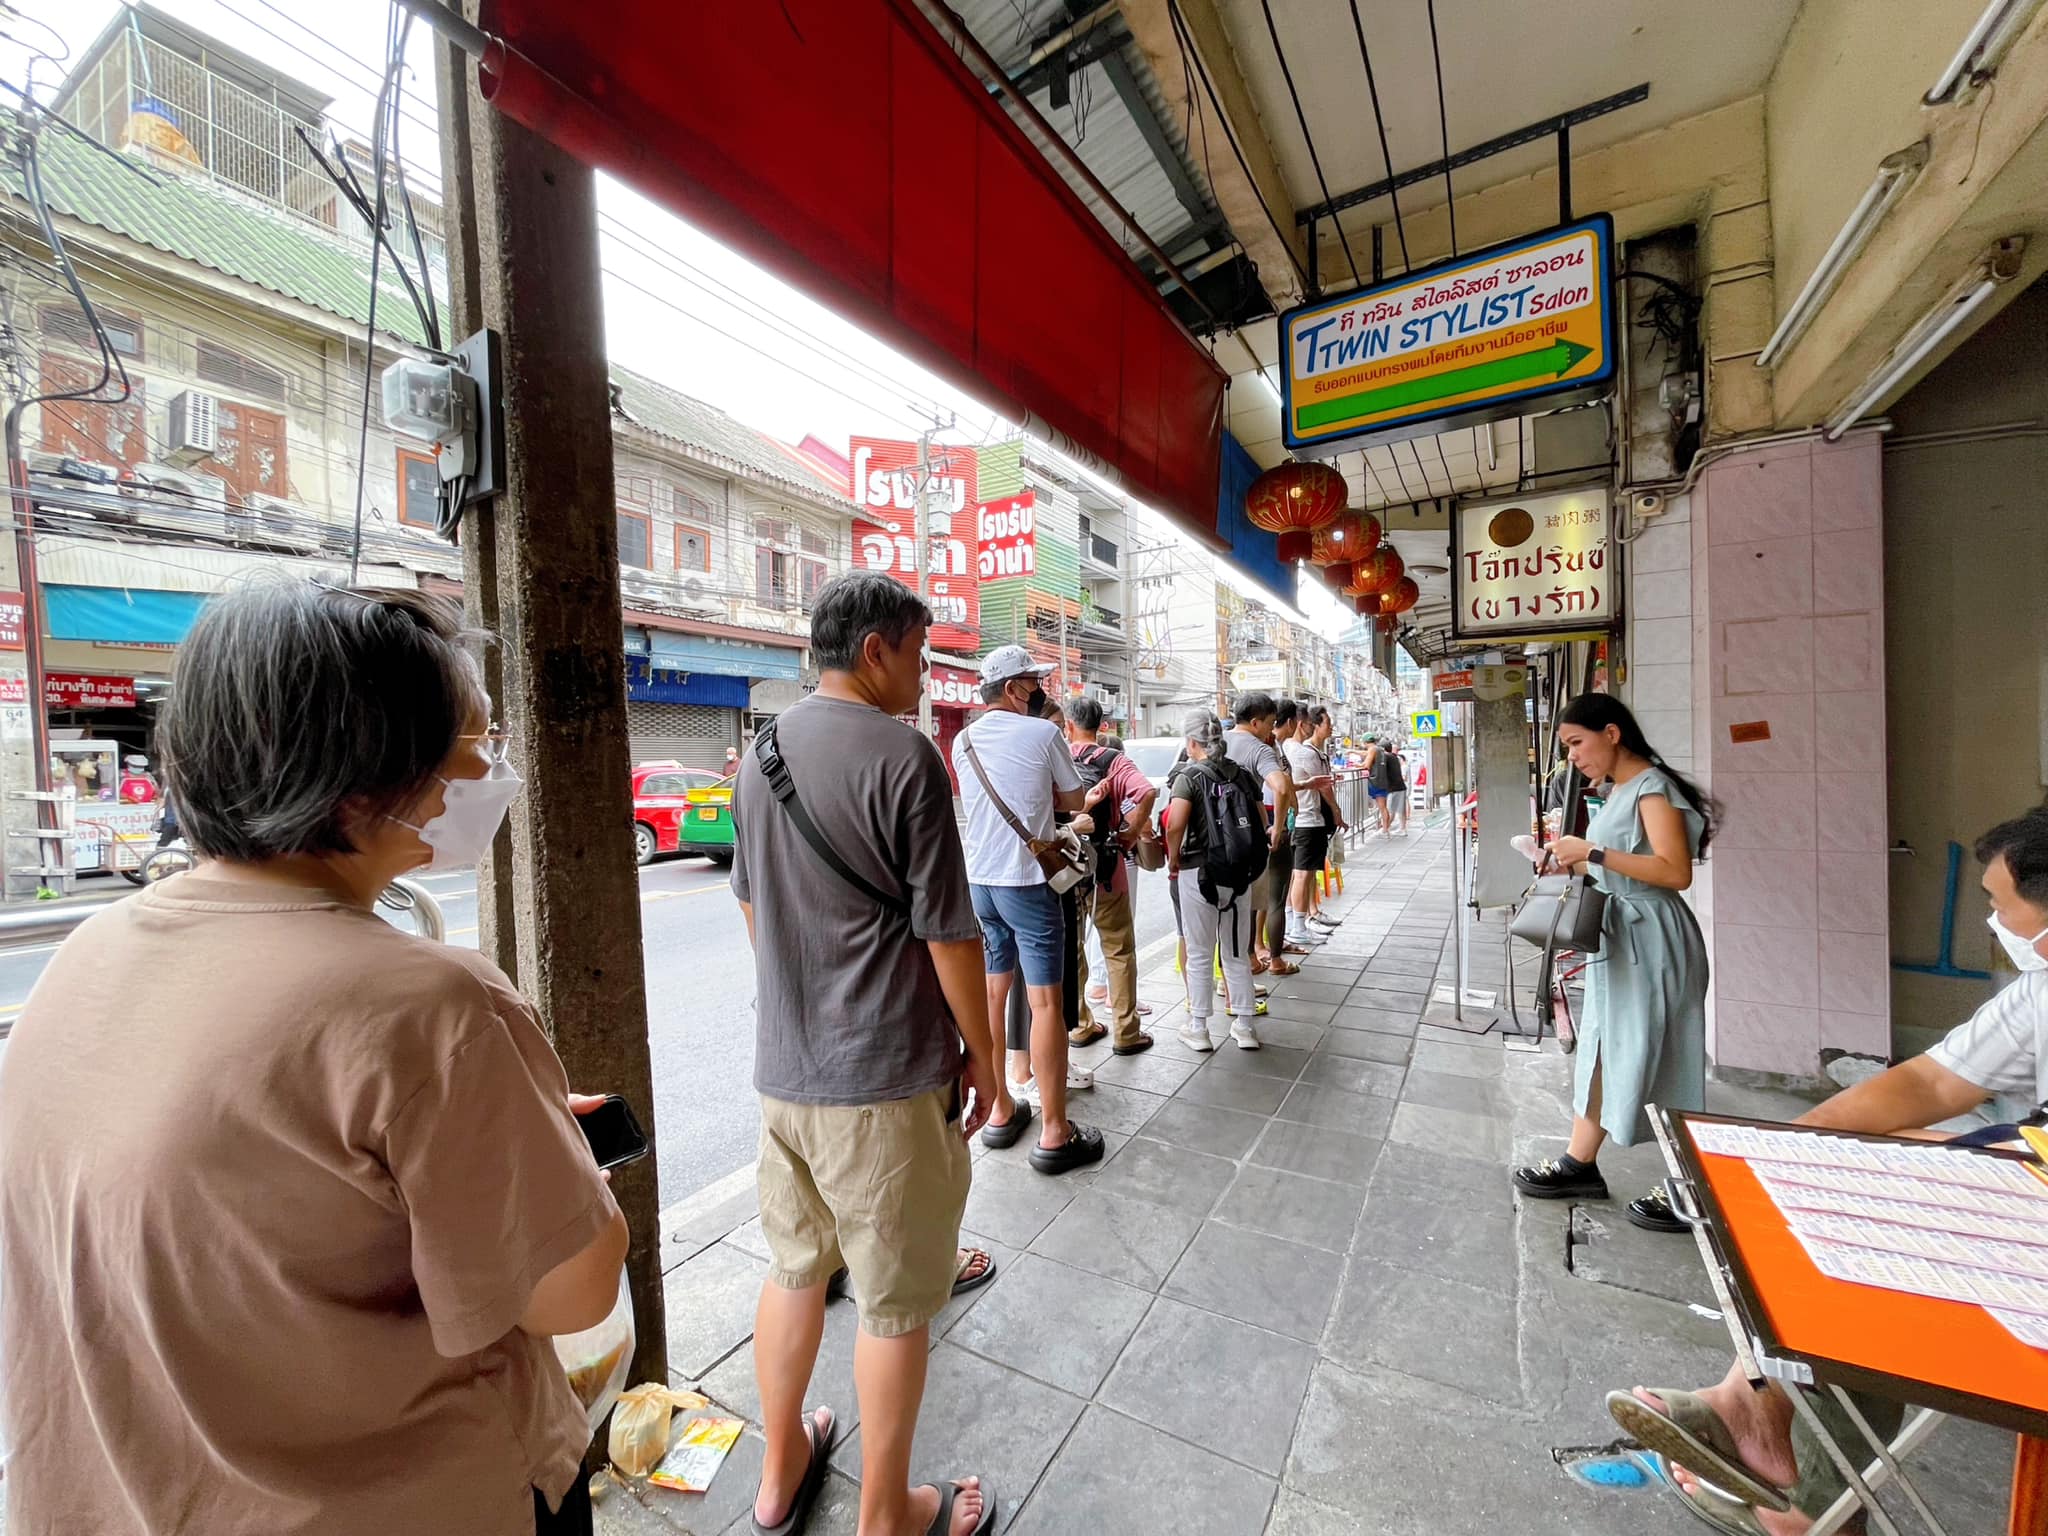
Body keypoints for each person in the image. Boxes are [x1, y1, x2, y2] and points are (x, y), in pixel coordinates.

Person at [0, 582, 628, 1536]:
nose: (493, 768)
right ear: (374, 772)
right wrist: (558, 1161)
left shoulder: (85, 951)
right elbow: (571, 1293)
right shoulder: (430, 1004)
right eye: (478, 741)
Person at [1607, 805, 2048, 1536]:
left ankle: (1781, 1459)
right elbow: (1935, 1082)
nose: (1993, 922)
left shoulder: (1654, 796)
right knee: (1865, 1194)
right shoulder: (2038, 994)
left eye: (2002, 905)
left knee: (1896, 1228)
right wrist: (1798, 1145)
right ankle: (1775, 1440)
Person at [729, 572, 999, 1536]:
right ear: (877, 649)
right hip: (882, 1082)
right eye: (920, 653)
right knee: (893, 1305)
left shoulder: (756, 754)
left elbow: (756, 910)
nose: (925, 675)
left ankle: (780, 1472)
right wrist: (986, 1054)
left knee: (795, 1270)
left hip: (785, 1076)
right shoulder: (906, 755)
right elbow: (949, 935)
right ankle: (889, 1514)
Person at [1510, 694, 1716, 1231]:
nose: (1573, 757)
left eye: (1578, 743)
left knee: (1664, 1052)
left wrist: (1593, 853)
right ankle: (1581, 1163)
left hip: (1653, 938)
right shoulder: (1621, 790)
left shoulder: (1652, 787)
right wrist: (1565, 859)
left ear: (1613, 732)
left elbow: (1674, 872)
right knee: (1603, 1045)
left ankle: (1689, 1187)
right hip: (1620, 936)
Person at [955, 645, 1102, 1176]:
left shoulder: (962, 739)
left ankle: (999, 1110)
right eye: (1033, 684)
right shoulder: (1043, 733)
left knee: (993, 998)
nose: (1039, 692)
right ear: (1016, 689)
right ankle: (1056, 1131)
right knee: (1044, 1004)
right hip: (1027, 881)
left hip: (981, 883)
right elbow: (1074, 801)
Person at [1166, 709, 1267, 1052]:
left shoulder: (1189, 777)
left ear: (1191, 742)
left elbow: (1174, 824)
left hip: (1199, 872)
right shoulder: (1240, 774)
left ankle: (1199, 1029)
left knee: (1199, 952)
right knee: (1236, 952)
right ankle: (1245, 1027)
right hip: (1239, 873)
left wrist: (1173, 855)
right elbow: (1261, 820)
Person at [1065, 696, 1157, 1055]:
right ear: (1102, 726)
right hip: (1108, 868)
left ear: (1069, 725)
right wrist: (1131, 833)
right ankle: (1126, 1032)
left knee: (1072, 950)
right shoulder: (1113, 760)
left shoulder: (1057, 757)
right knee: (1118, 950)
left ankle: (1081, 1024)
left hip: (1070, 869)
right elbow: (1147, 792)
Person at [1223, 692, 1300, 967]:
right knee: (1265, 899)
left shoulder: (1217, 742)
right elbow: (1280, 786)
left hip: (1219, 839)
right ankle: (1268, 962)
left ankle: (1243, 965)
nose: (1271, 728)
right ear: (1255, 722)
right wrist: (1277, 828)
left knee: (1231, 909)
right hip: (1248, 835)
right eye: (1270, 722)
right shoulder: (1260, 748)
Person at [1283, 706, 1344, 945]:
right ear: (1301, 724)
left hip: (1301, 819)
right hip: (1308, 819)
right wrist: (1336, 811)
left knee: (1299, 875)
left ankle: (1296, 923)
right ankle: (1298, 926)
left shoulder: (1289, 749)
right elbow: (1324, 786)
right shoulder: (1302, 752)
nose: (1311, 729)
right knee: (1302, 875)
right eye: (1311, 724)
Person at [1261, 699, 1303, 975]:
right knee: (1274, 897)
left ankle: (1259, 951)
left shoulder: (1268, 746)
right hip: (1273, 825)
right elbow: (1280, 787)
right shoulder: (1266, 748)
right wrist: (1278, 826)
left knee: (1262, 898)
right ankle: (1273, 958)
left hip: (1270, 822)